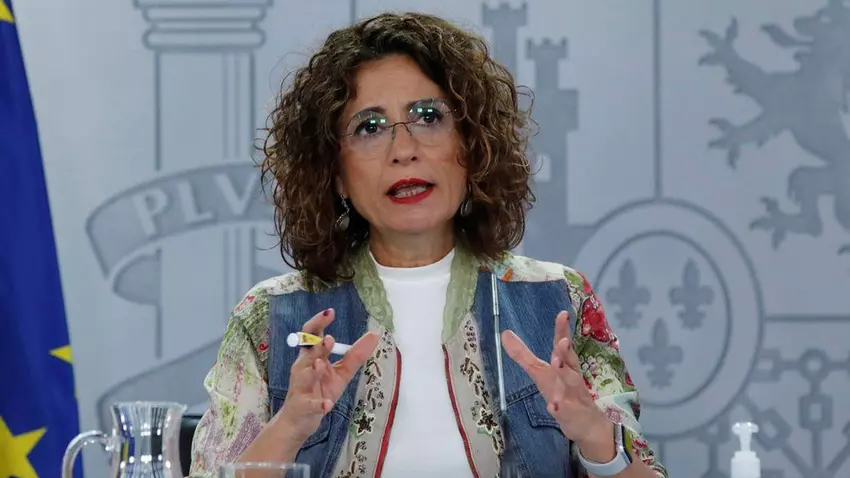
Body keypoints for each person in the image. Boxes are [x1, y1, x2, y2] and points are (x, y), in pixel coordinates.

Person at [188, 11, 667, 478]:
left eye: (428, 117)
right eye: (369, 127)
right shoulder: (272, 317)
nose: (404, 150)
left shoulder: (559, 299)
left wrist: (595, 437)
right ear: (335, 174)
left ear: (471, 146)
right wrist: (290, 427)